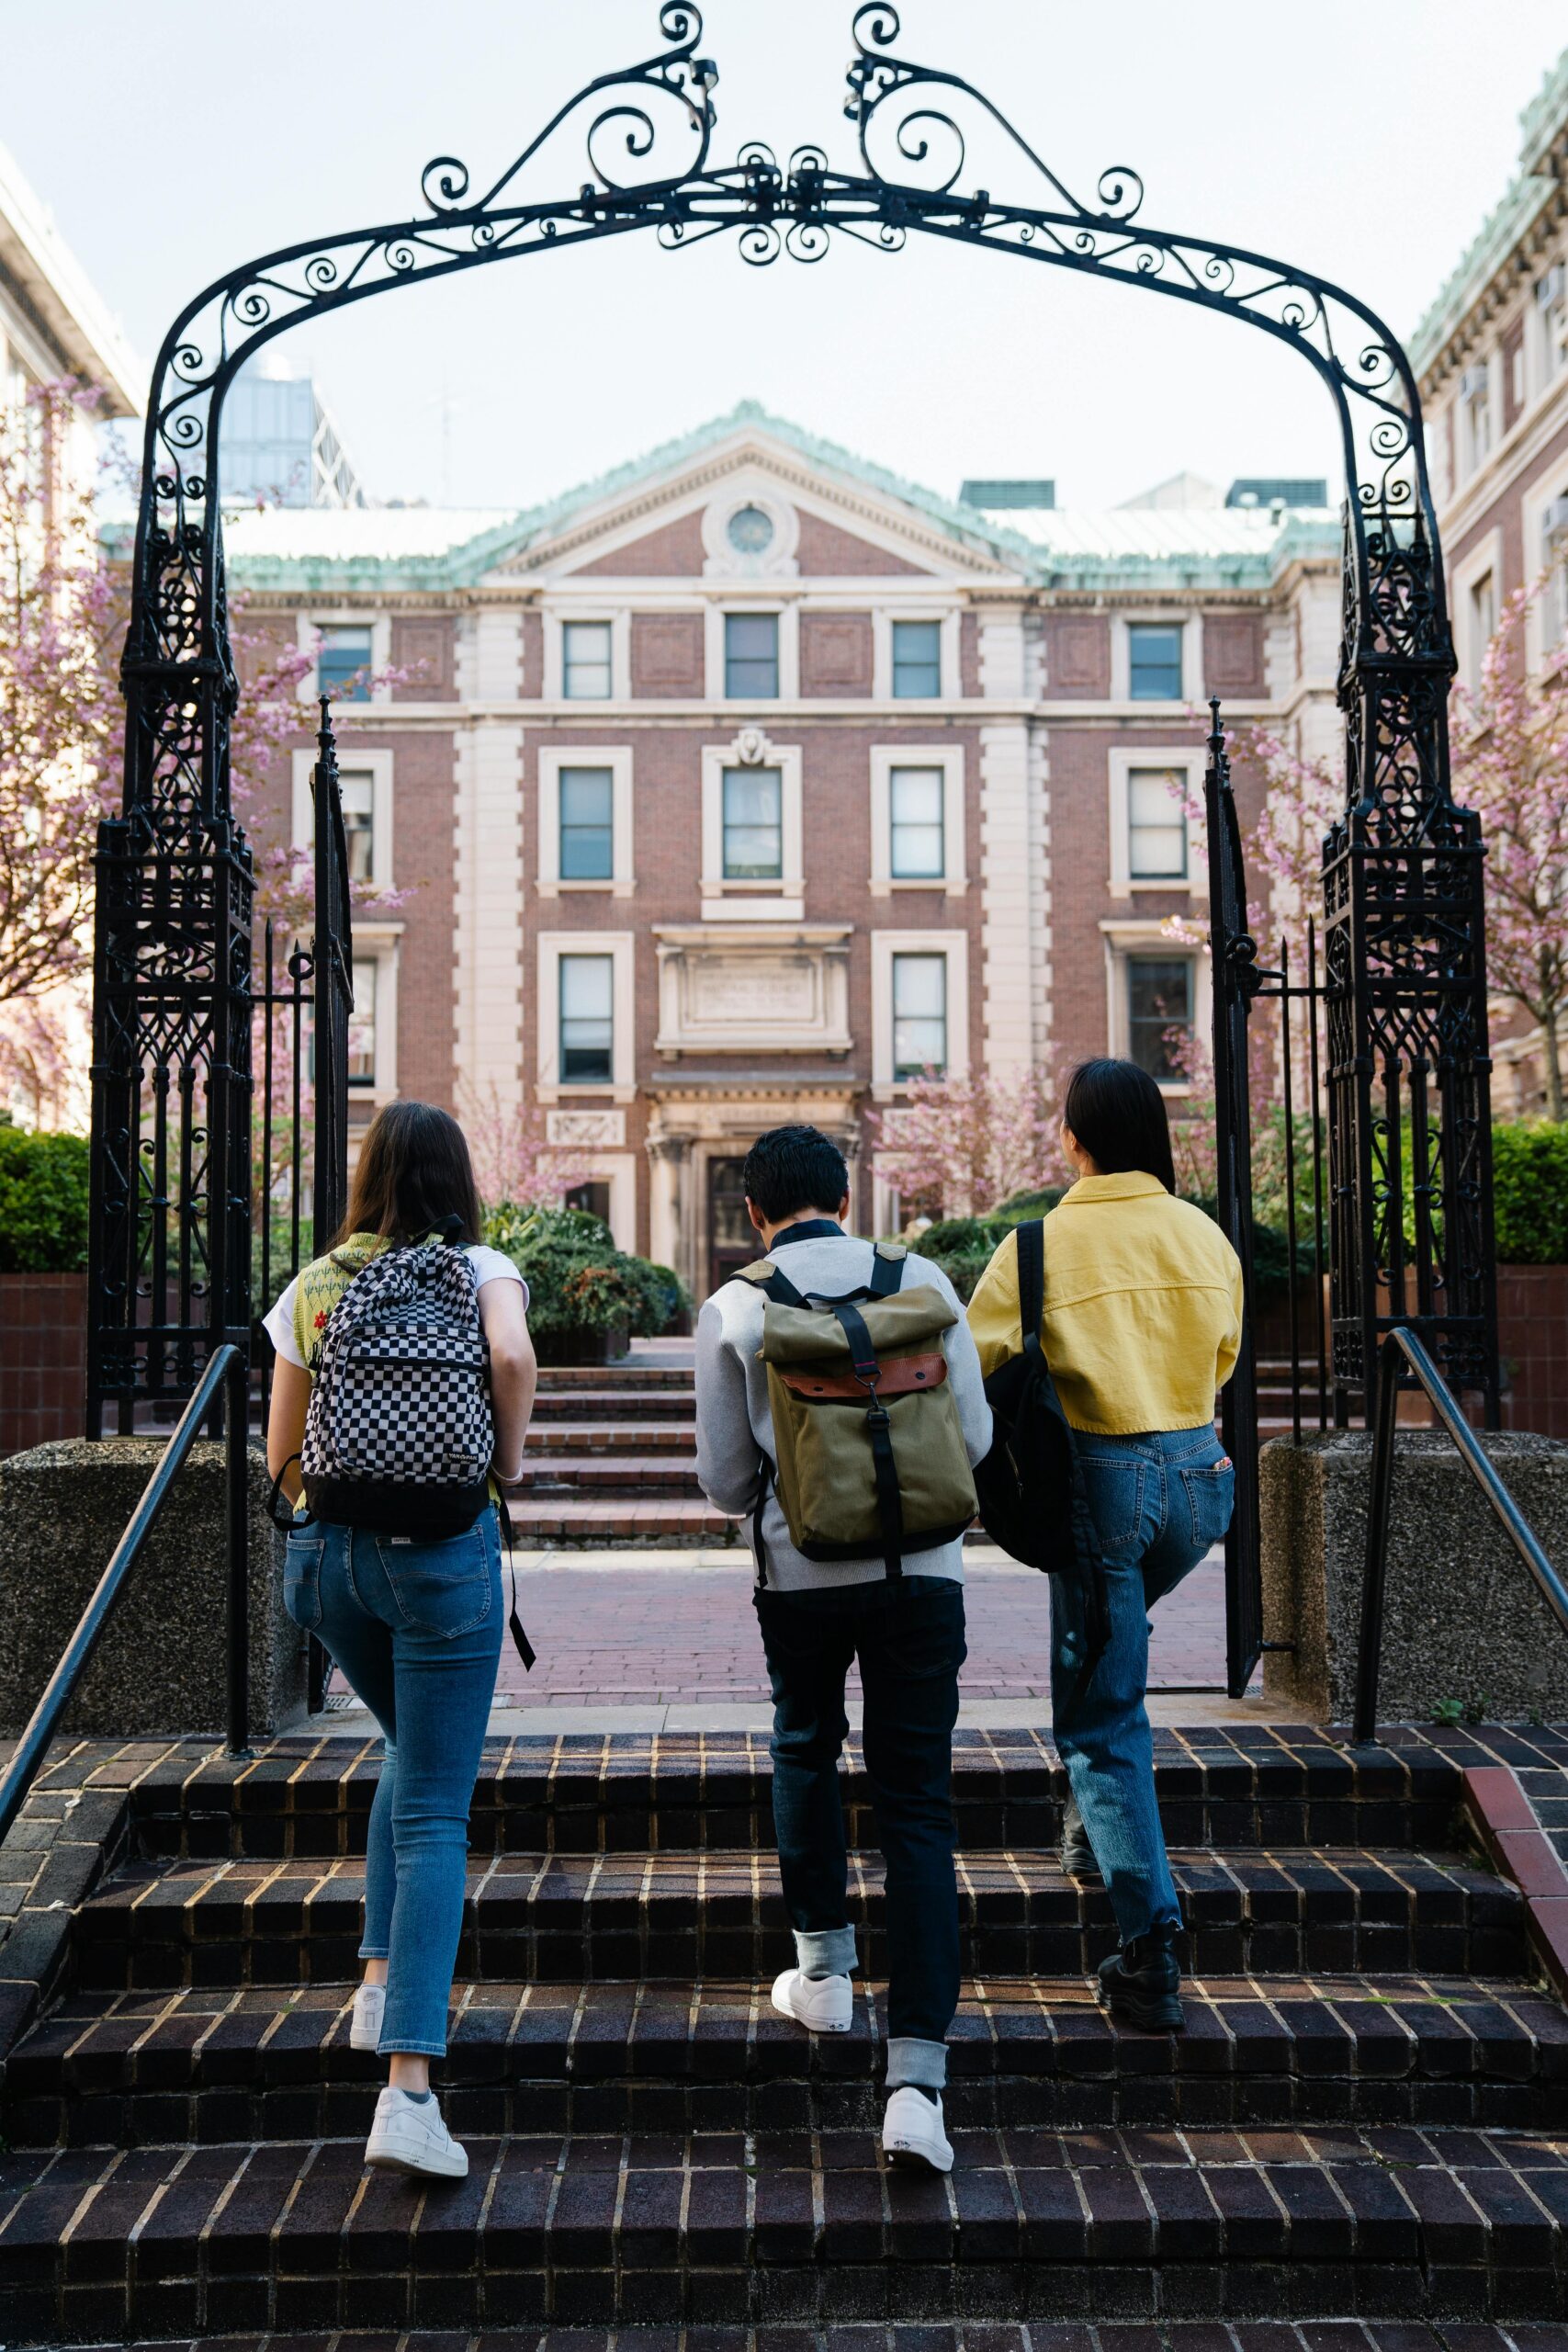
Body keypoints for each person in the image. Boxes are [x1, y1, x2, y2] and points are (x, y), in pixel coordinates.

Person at [694, 1124, 991, 2175]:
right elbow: (978, 1439)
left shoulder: (736, 1305)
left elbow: (727, 1482)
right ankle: (917, 2084)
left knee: (806, 1746)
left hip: (803, 1578)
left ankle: (822, 1974)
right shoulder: (925, 1280)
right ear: (848, 1194)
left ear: (752, 1209)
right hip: (926, 1576)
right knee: (918, 1801)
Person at [265, 1100, 536, 2178]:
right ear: (459, 1180)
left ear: (368, 1176)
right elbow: (511, 1359)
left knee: (406, 1754)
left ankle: (377, 1978)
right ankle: (408, 2093)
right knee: (433, 1805)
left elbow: (282, 1454)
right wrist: (503, 1466)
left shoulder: (315, 1284)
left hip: (328, 1565)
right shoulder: (480, 1268)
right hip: (441, 1557)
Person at [966, 1058, 1242, 2033]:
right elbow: (1225, 1356)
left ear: (1073, 1140)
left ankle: (1149, 1944)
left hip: (1103, 1483)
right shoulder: (1204, 1233)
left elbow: (977, 1367)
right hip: (1203, 1482)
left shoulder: (1037, 1246)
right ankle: (1090, 1829)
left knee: (1102, 1713)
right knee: (1107, 1644)